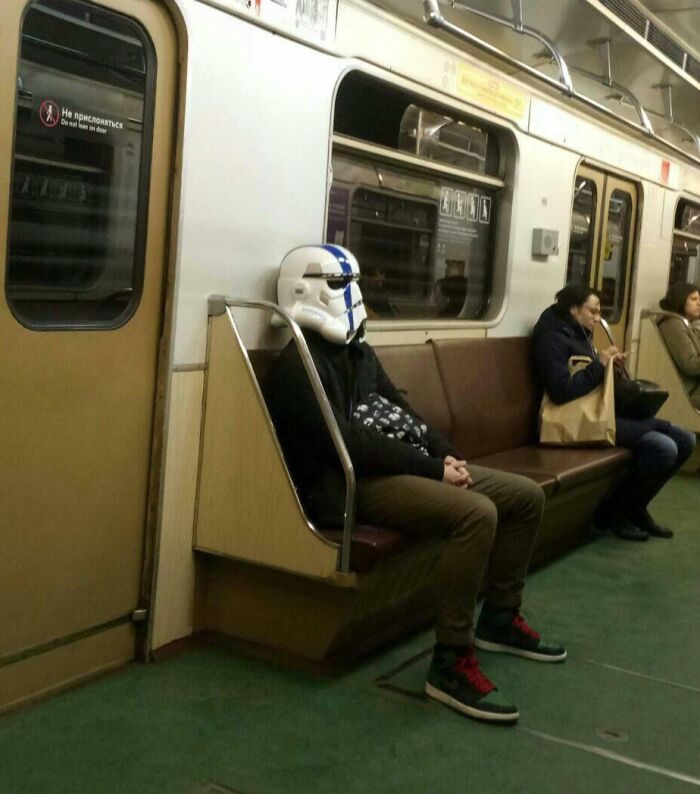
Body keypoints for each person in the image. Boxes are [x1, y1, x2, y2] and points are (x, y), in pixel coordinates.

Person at [265, 244, 565, 725]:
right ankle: (450, 659)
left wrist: (444, 451)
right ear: (305, 290)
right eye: (340, 285)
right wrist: (432, 470)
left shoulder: (356, 352)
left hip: (397, 469)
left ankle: (501, 616)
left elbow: (397, 410)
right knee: (476, 513)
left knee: (524, 498)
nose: (351, 295)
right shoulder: (298, 366)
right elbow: (347, 443)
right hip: (346, 486)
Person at [532, 284, 696, 542]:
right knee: (664, 448)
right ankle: (614, 513)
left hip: (601, 411)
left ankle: (636, 508)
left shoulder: (579, 333)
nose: (597, 318)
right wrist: (599, 365)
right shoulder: (552, 338)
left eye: (599, 312)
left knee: (687, 439)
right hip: (579, 418)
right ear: (574, 309)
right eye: (593, 312)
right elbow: (562, 390)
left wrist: (609, 364)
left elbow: (589, 375)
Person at [658, 282, 700, 409]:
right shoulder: (673, 324)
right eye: (694, 299)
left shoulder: (685, 323)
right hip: (691, 391)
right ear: (680, 300)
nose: (699, 303)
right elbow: (690, 364)